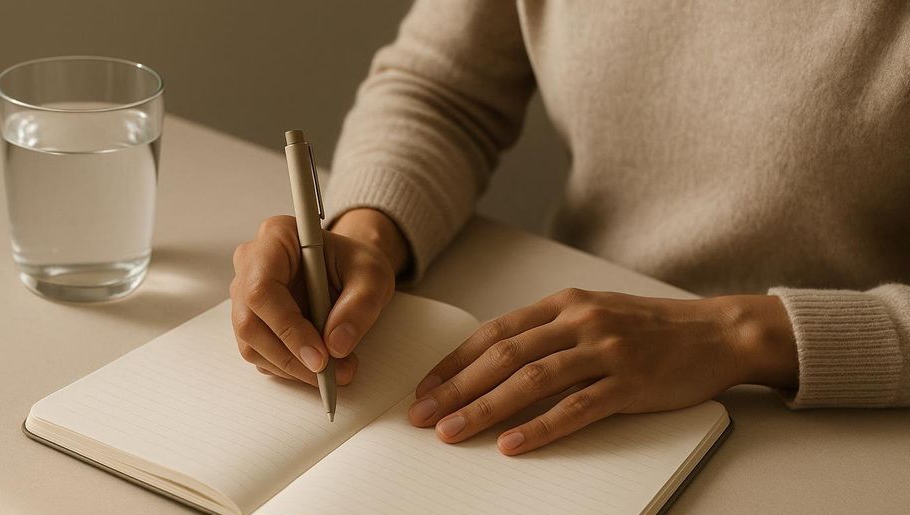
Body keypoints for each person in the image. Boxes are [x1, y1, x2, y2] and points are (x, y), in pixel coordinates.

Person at [230, 0, 909, 455]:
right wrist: (368, 234)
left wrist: (740, 334)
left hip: (844, 432)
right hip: (581, 360)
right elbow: (443, 91)